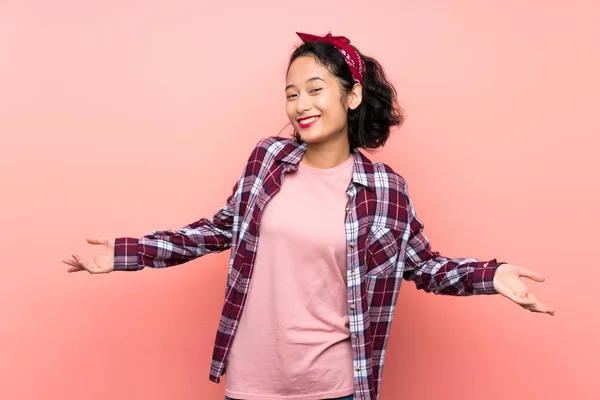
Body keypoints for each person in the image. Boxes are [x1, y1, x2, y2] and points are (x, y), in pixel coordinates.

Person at [63, 31, 554, 400]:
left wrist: (491, 275)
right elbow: (218, 229)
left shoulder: (385, 190)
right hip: (252, 380)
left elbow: (424, 266)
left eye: (315, 89)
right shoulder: (267, 160)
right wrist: (128, 254)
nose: (301, 104)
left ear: (352, 96)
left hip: (333, 384)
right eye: (292, 92)